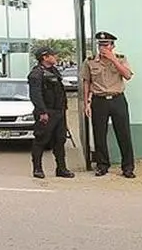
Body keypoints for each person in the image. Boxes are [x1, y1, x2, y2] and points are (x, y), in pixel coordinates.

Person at [81, 31, 136, 178]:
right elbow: (87, 82)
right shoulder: (90, 61)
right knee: (99, 135)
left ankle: (128, 167)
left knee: (123, 134)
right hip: (99, 100)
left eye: (106, 45)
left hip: (117, 99)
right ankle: (102, 165)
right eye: (100, 45)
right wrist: (86, 102)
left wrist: (114, 60)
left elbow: (128, 75)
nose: (102, 48)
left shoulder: (121, 58)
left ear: (112, 46)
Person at [27, 47, 74, 179]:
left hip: (59, 111)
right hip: (47, 112)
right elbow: (35, 95)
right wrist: (42, 111)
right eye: (53, 55)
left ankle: (61, 168)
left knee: (60, 140)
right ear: (45, 57)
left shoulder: (53, 71)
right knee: (41, 140)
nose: (55, 57)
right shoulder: (36, 74)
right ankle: (37, 169)